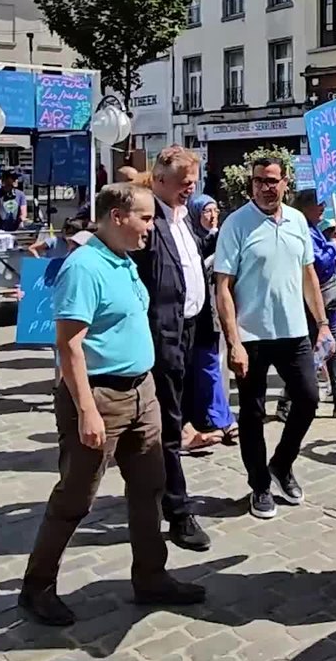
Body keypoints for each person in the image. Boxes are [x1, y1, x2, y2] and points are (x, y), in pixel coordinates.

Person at [18, 182, 206, 626]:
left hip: (142, 393)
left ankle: (151, 577)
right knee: (75, 498)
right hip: (99, 396)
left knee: (149, 488)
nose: (151, 226)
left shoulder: (124, 260)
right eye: (144, 217)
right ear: (118, 217)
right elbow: (69, 346)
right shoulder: (85, 267)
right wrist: (85, 409)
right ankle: (36, 587)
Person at [213, 157, 333, 520]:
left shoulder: (298, 221)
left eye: (271, 181)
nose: (265, 187)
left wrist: (323, 323)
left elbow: (309, 274)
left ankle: (281, 465)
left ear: (285, 184)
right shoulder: (236, 225)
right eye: (258, 181)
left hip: (294, 332)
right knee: (252, 413)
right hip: (251, 336)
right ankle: (259, 486)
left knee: (309, 400)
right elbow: (223, 287)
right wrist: (233, 341)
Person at [129, 146, 213, 552]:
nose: (189, 191)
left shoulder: (187, 219)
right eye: (183, 185)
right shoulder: (148, 223)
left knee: (184, 416)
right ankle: (177, 510)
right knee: (168, 423)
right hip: (163, 335)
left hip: (193, 329)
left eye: (193, 184)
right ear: (159, 181)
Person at [277, 191, 336, 420]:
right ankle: (288, 400)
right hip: (313, 303)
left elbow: (327, 263)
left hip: (327, 301)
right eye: (318, 205)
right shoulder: (304, 230)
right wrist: (334, 245)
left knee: (333, 347)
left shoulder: (313, 229)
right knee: (314, 351)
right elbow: (317, 263)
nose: (322, 210)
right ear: (305, 207)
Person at [182, 192, 237, 446]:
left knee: (212, 366)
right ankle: (218, 419)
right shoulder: (189, 240)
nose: (212, 216)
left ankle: (218, 417)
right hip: (194, 316)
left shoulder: (220, 239)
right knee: (204, 368)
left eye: (215, 210)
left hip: (213, 315)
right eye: (206, 211)